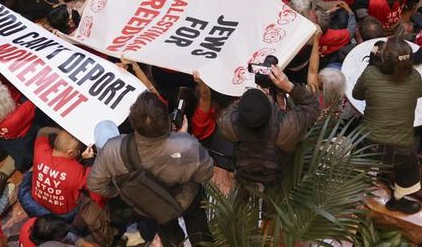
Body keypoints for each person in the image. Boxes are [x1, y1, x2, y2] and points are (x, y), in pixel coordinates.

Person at [87, 91, 214, 246]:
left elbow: (95, 184)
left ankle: (176, 243)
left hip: (151, 205)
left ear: (132, 123)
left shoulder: (111, 149)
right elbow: (206, 174)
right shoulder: (187, 146)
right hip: (187, 200)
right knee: (199, 230)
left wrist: (125, 189)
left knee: (168, 230)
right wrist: (182, 139)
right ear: (167, 121)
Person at [352, 37, 422, 214]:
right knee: (409, 165)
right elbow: (420, 93)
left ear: (382, 59)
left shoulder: (371, 74)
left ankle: (353, 193)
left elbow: (357, 95)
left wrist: (371, 63)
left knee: (357, 160)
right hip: (400, 151)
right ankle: (398, 200)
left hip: (367, 144)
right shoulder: (414, 78)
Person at [218, 65, 320, 187]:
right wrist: (288, 86)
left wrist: (249, 98)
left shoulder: (228, 124)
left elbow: (228, 112)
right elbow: (313, 106)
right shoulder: (285, 128)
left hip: (245, 172)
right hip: (278, 174)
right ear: (270, 109)